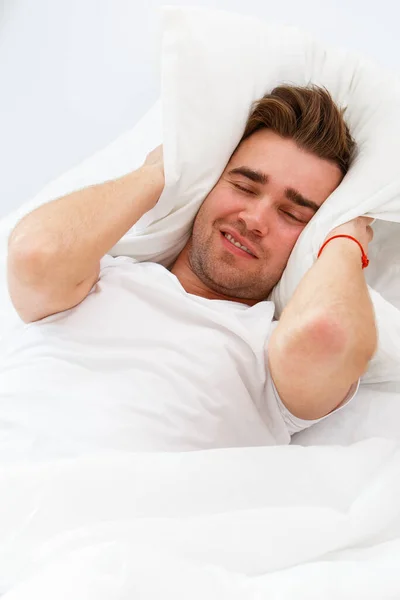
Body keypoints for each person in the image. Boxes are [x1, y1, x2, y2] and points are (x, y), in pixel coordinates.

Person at [5, 85, 377, 452]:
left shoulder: (267, 354)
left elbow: (325, 334)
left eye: (292, 214)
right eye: (244, 186)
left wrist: (345, 238)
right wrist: (160, 173)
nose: (254, 219)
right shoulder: (94, 277)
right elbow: (36, 253)